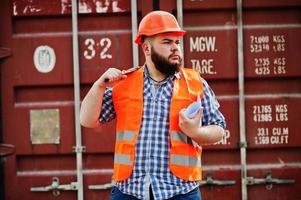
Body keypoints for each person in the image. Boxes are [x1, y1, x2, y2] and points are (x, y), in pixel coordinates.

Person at [80, 10, 226, 200]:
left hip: (180, 192)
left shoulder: (195, 83)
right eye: (167, 42)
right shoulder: (124, 84)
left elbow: (219, 129)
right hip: (129, 192)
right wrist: (99, 86)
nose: (175, 48)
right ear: (147, 48)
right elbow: (87, 120)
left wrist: (196, 133)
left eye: (177, 42)